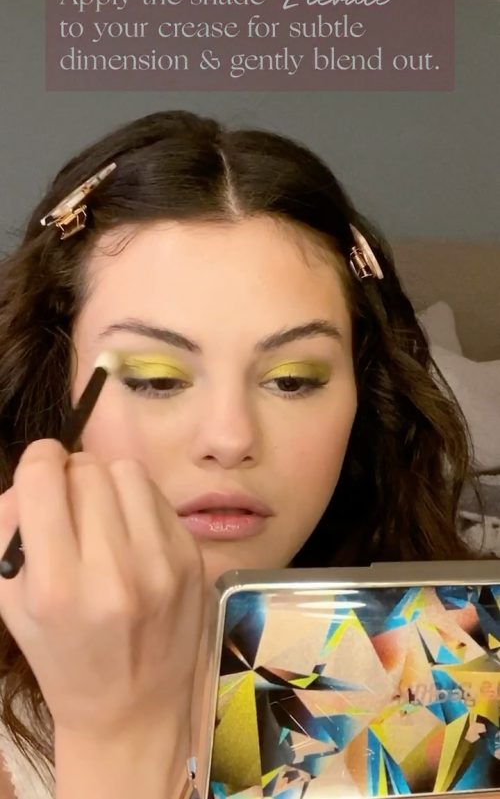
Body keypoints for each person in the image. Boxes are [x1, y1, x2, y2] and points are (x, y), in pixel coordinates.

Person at [0, 110, 488, 799]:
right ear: (55, 386)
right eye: (156, 378)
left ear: (364, 395)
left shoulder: (443, 663)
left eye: (292, 380)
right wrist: (114, 738)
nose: (230, 438)